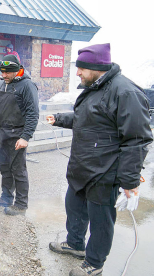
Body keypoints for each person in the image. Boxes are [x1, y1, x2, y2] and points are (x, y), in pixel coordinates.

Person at [46, 43, 153, 276]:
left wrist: (130, 182)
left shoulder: (126, 92)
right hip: (81, 166)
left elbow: (137, 140)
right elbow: (89, 118)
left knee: (101, 222)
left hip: (104, 172)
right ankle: (75, 245)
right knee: (74, 208)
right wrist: (60, 118)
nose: (77, 72)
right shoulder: (95, 86)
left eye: (81, 68)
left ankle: (94, 263)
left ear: (96, 68)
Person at [0, 54, 39, 216]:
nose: (4, 75)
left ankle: (21, 205)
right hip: (1, 133)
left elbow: (33, 113)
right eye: (2, 72)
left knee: (18, 170)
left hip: (17, 135)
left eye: (8, 72)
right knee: (4, 168)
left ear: (17, 71)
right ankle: (6, 197)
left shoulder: (27, 86)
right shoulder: (1, 84)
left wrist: (26, 137)